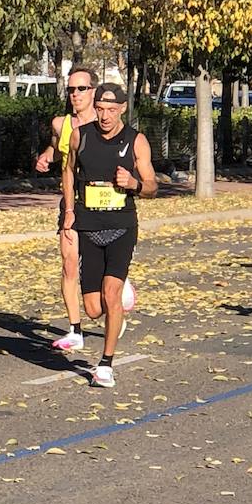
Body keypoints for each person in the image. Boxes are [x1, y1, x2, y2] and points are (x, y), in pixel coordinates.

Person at [61, 83, 157, 388]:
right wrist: (69, 210)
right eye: (101, 109)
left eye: (111, 110)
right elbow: (67, 170)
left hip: (122, 227)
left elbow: (153, 186)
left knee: (111, 295)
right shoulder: (82, 135)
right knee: (92, 309)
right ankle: (117, 308)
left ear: (123, 110)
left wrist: (134, 184)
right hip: (89, 226)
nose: (105, 116)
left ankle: (105, 365)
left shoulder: (135, 141)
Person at [35, 66, 99, 351]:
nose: (75, 95)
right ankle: (75, 330)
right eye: (71, 89)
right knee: (69, 262)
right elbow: (59, 149)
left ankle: (116, 294)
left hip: (104, 202)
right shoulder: (61, 124)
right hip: (72, 202)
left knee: (101, 271)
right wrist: (47, 157)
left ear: (93, 91)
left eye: (81, 89)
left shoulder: (105, 121)